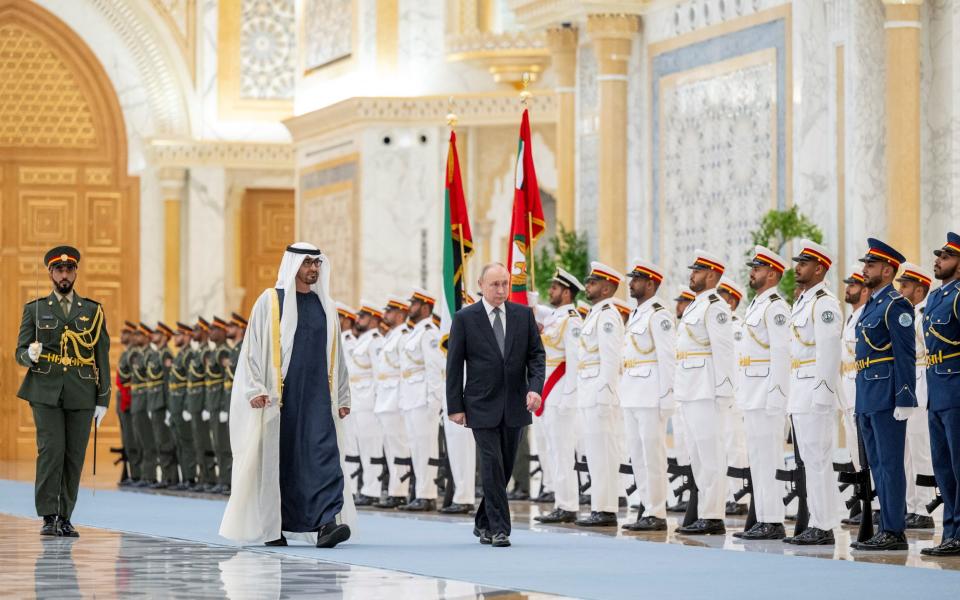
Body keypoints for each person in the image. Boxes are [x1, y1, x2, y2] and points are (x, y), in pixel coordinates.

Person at [220, 242, 356, 548]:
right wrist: (255, 387)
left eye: (317, 264)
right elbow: (252, 349)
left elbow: (338, 357)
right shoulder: (271, 302)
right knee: (282, 463)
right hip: (281, 400)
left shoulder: (326, 305)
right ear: (294, 265)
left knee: (324, 459)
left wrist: (343, 396)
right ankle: (276, 526)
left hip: (319, 400)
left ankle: (326, 524)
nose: (313, 269)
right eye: (307, 263)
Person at [446, 263, 545, 547]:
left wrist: (535, 389)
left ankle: (483, 521)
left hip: (516, 403)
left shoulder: (523, 315)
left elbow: (536, 357)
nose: (501, 290)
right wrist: (455, 405)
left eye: (505, 283)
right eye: (495, 285)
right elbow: (454, 365)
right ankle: (500, 529)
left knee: (505, 466)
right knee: (491, 464)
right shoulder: (465, 318)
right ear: (481, 284)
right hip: (480, 404)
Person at [15, 245, 110, 537]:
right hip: (45, 390)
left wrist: (103, 398)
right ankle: (48, 516)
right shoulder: (35, 309)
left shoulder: (93, 311)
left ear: (76, 272)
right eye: (59, 270)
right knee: (51, 452)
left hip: (82, 392)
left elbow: (101, 355)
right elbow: (19, 351)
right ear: (50, 273)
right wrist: (28, 355)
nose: (64, 274)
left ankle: (65, 516)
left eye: (69, 270)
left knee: (74, 456)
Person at [851, 239, 916, 551]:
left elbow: (905, 354)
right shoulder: (872, 304)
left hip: (887, 394)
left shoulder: (895, 304)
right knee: (876, 464)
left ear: (888, 270)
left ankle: (894, 530)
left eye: (871, 265)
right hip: (867, 392)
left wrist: (905, 396)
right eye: (865, 264)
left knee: (890, 464)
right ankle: (884, 526)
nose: (865, 269)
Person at [786, 240, 843, 546]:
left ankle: (823, 526)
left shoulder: (824, 303)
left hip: (814, 391)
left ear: (819, 268)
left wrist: (823, 393)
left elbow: (830, 350)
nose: (798, 267)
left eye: (804, 263)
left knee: (819, 459)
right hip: (800, 388)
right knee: (809, 460)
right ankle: (817, 522)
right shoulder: (804, 301)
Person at [674, 250, 735, 536]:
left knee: (710, 455)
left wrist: (724, 392)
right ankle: (703, 512)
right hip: (690, 388)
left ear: (711, 275)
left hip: (706, 390)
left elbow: (723, 351)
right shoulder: (696, 306)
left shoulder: (715, 307)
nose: (692, 275)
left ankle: (713, 516)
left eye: (697, 271)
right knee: (697, 455)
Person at [732, 246, 791, 540]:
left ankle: (774, 520)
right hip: (751, 394)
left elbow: (782, 353)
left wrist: (777, 395)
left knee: (769, 460)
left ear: (772, 273)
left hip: (767, 395)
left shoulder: (776, 307)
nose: (751, 272)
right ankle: (763, 518)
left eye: (757, 268)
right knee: (757, 459)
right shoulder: (756, 305)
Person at [619, 259, 675, 532]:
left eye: (637, 279)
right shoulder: (638, 313)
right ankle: (646, 508)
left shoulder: (659, 314)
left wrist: (667, 397)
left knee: (653, 455)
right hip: (632, 393)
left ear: (650, 284)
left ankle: (657, 512)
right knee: (638, 455)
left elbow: (667, 358)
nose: (631, 283)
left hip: (651, 395)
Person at [530, 268, 584, 525]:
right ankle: (561, 502)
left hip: (560, 391)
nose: (550, 291)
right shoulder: (554, 317)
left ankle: (568, 505)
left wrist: (569, 398)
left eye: (554, 287)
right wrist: (528, 300)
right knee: (552, 450)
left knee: (562, 451)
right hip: (547, 394)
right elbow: (539, 312)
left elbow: (574, 362)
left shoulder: (571, 320)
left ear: (566, 292)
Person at [575, 262, 626, 527]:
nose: (588, 285)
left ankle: (605, 509)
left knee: (603, 453)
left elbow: (610, 358)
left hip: (599, 393)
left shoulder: (607, 315)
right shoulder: (596, 313)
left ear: (607, 288)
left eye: (593, 282)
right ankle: (599, 506)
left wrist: (606, 393)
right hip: (588, 391)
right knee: (595, 453)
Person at [921, 232, 960, 557]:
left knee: (959, 466)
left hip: (956, 387)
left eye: (946, 257)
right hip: (936, 389)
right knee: (944, 469)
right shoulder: (935, 298)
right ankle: (951, 531)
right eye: (938, 255)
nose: (938, 260)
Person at [895, 262, 936, 529]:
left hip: (923, 387)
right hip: (909, 388)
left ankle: (924, 508)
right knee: (907, 453)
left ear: (919, 290)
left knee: (921, 450)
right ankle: (910, 506)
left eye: (905, 286)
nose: (900, 291)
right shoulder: (907, 314)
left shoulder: (924, 315)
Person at [398, 289, 445, 511]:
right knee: (416, 447)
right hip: (410, 397)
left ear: (425, 307)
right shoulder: (414, 332)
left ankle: (427, 495)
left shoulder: (429, 332)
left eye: (415, 303)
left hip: (423, 399)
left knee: (426, 447)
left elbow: (434, 369)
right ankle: (420, 493)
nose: (410, 307)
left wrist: (434, 401)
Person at [373, 296, 413, 508]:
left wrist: (402, 399)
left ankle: (400, 492)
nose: (385, 315)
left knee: (399, 447)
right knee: (390, 447)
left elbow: (403, 372)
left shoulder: (403, 336)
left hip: (396, 398)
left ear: (398, 314)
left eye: (389, 312)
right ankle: (394, 490)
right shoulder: (391, 336)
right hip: (385, 399)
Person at [346, 301, 386, 506]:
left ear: (373, 319)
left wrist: (378, 401)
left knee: (371, 447)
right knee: (360, 446)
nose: (358, 319)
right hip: (357, 401)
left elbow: (380, 374)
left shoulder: (375, 341)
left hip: (370, 401)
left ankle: (372, 490)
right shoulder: (363, 340)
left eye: (362, 316)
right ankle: (363, 488)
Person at [718, 275, 749, 516]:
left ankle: (738, 496)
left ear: (730, 300)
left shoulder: (737, 328)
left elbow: (737, 364)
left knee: (734, 444)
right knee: (723, 445)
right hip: (721, 396)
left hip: (735, 396)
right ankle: (728, 493)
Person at [147, 322, 179, 488]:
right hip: (154, 402)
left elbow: (168, 382)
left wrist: (168, 407)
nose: (153, 335)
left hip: (162, 403)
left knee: (165, 442)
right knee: (159, 441)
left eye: (157, 333)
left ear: (165, 336)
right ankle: (165, 476)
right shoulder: (157, 354)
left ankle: (170, 477)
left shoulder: (166, 354)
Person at [167, 322, 197, 489]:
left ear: (186, 336)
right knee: (178, 442)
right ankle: (183, 477)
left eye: (178, 335)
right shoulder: (180, 355)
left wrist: (186, 406)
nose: (175, 338)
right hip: (174, 404)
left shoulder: (189, 355)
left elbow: (189, 384)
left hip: (182, 403)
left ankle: (190, 478)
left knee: (187, 442)